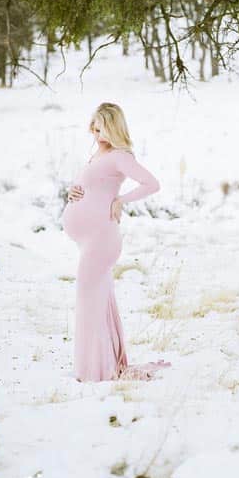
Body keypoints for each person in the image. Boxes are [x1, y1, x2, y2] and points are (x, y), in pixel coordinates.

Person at [61, 102, 170, 382]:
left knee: (88, 300)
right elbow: (94, 186)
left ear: (114, 127)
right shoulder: (100, 153)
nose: (97, 135)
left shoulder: (121, 155)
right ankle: (99, 364)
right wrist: (73, 192)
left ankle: (95, 371)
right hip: (87, 238)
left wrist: (121, 200)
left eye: (102, 129)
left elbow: (152, 184)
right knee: (96, 299)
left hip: (101, 238)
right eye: (94, 129)